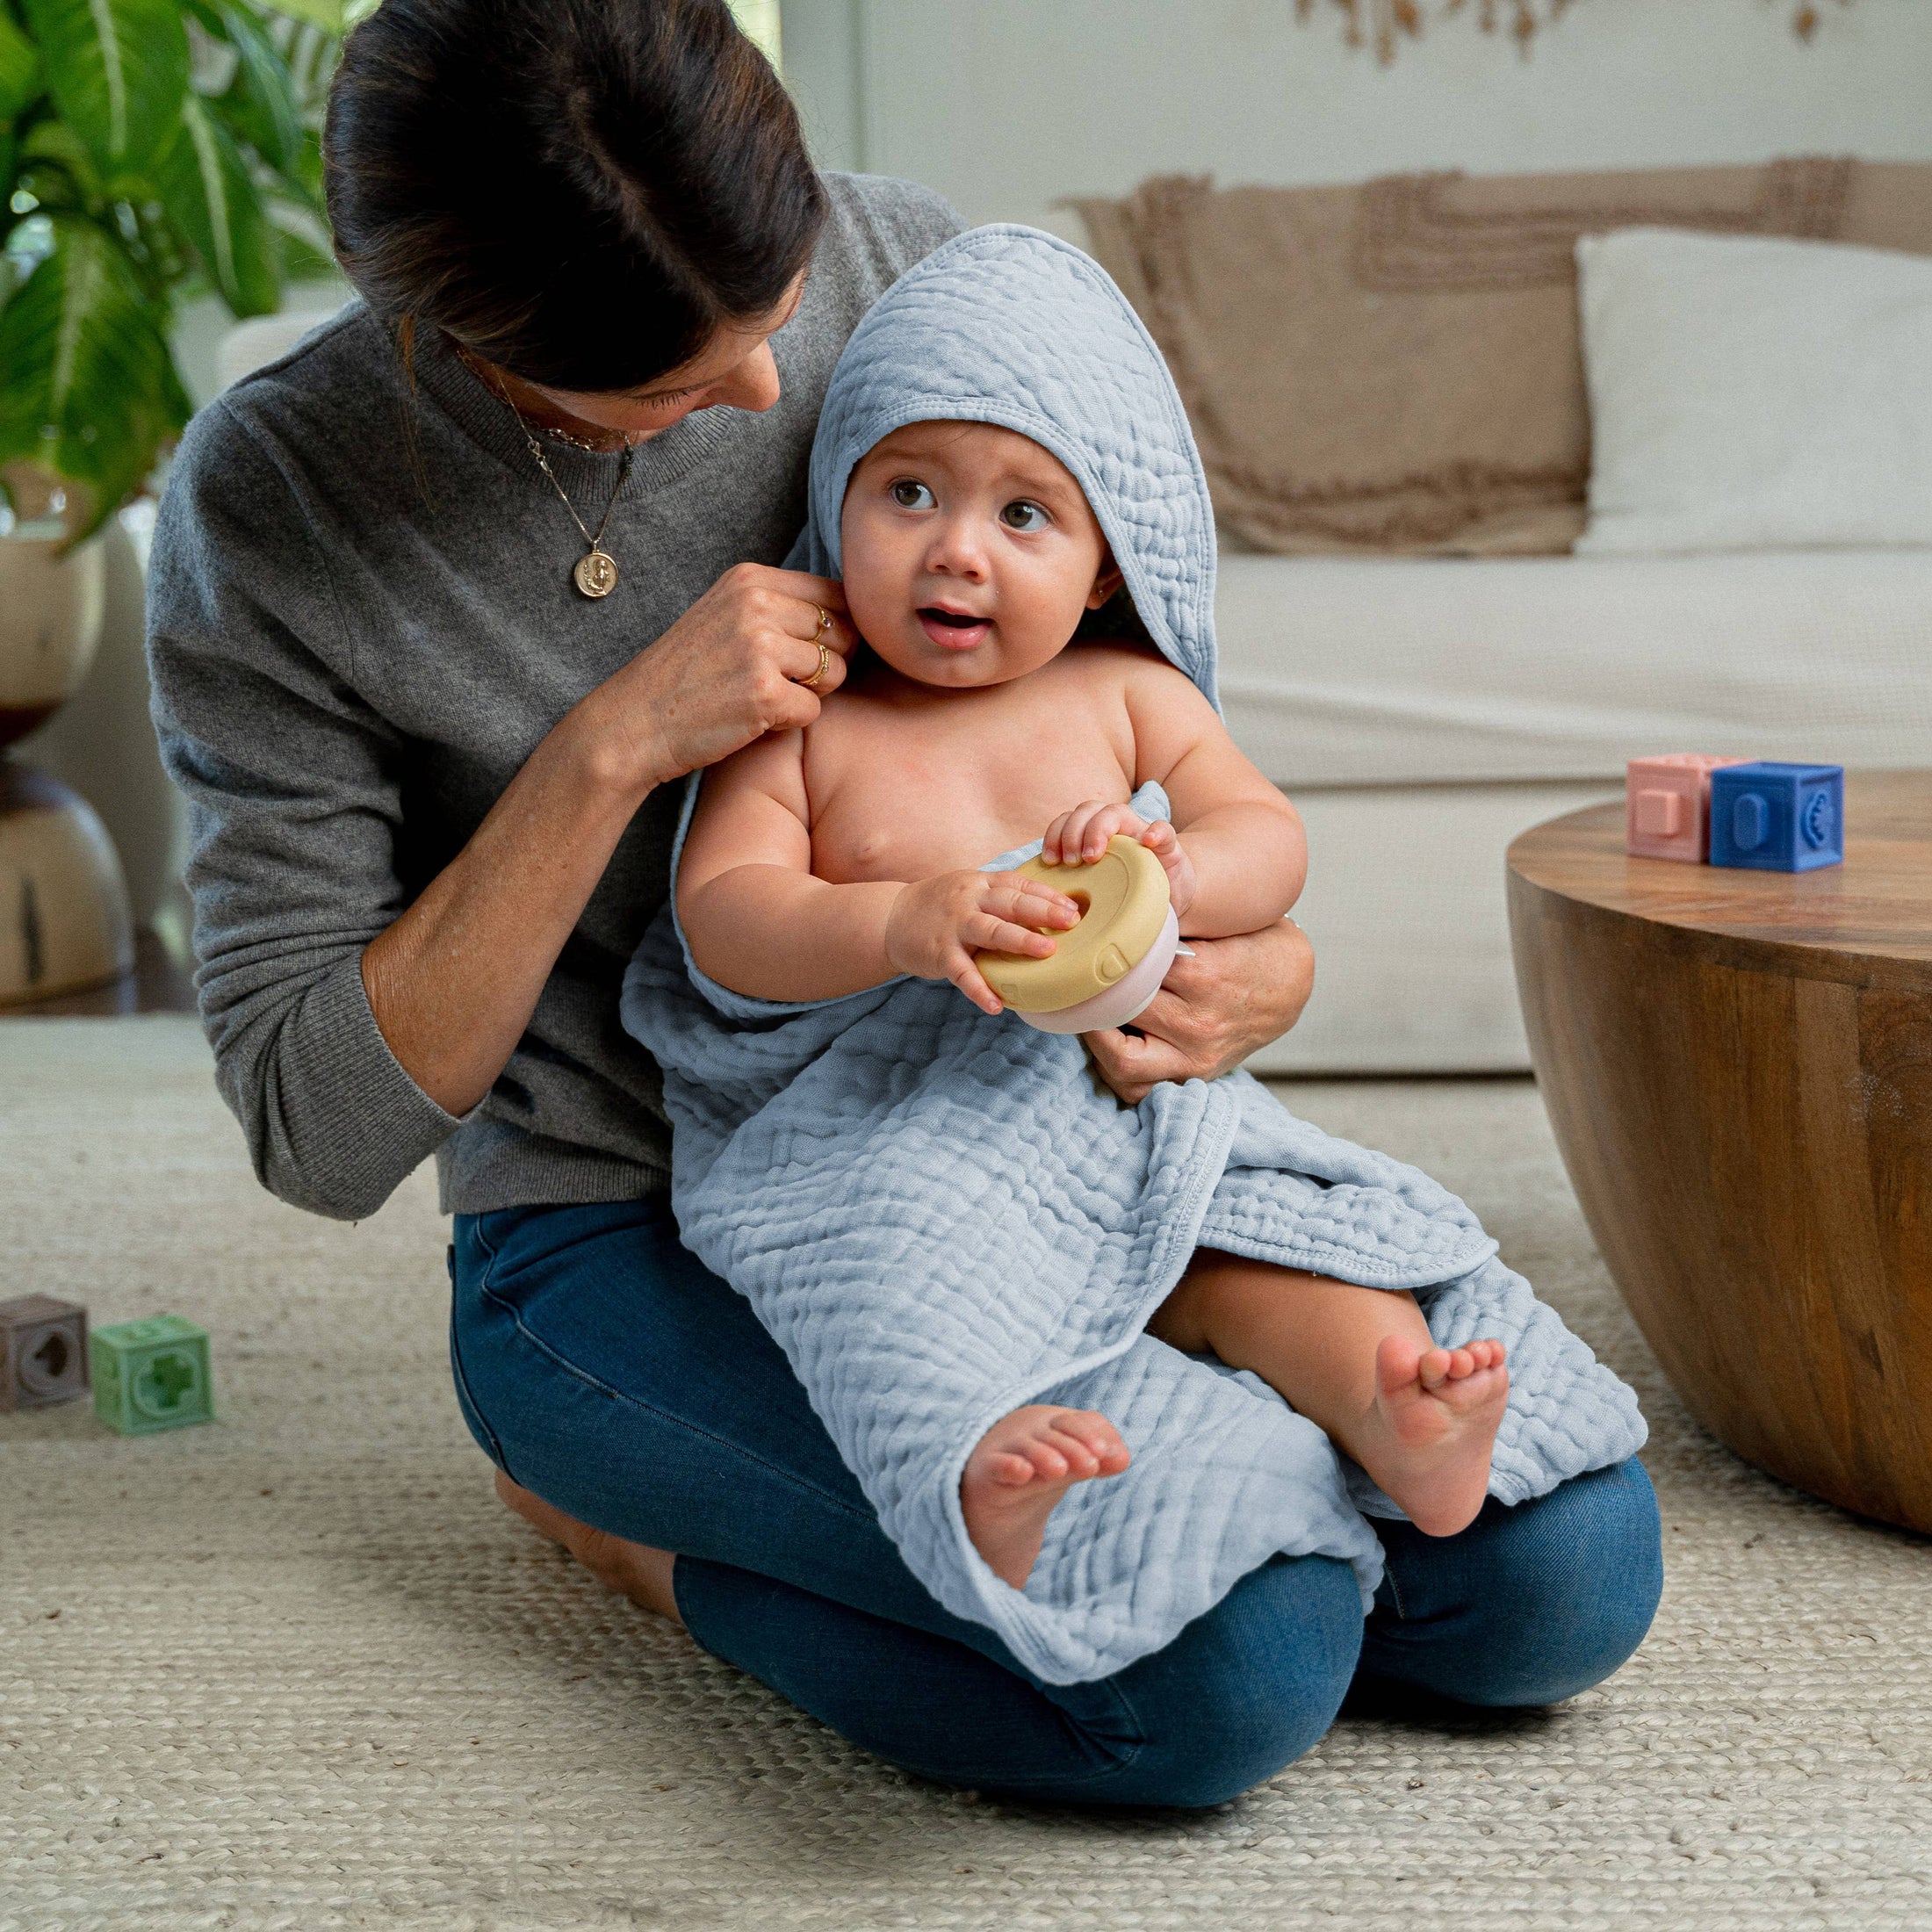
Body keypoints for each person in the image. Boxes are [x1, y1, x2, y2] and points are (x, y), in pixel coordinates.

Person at [145, 0, 1661, 1807]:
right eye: (673, 384)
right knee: (1221, 1680)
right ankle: (626, 1526)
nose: (772, 399)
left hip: (1027, 1121)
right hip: (627, 1210)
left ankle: (1197, 1390)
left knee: (1557, 1579)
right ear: (458, 337)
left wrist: (1244, 964)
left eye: (777, 313)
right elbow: (317, 1130)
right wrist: (609, 749)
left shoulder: (919, 277)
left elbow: (1157, 735)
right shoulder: (280, 507)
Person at [674, 410, 1512, 1591]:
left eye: (1023, 515)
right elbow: (726, 910)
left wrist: (1178, 869)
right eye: (909, 495)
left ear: (1105, 565)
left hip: (1120, 1108)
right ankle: (972, 1457)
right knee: (878, 1269)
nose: (958, 550)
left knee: (1273, 1236)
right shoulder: (804, 715)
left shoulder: (1127, 692)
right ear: (835, 503)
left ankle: (1393, 1401)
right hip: (901, 1128)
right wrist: (896, 922)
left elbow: (1264, 837)